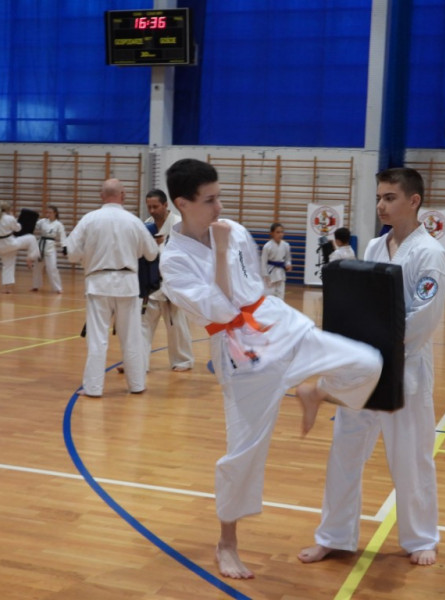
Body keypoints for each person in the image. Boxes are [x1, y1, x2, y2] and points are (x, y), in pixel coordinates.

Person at [159, 158, 382, 580]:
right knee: (244, 452)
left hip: (278, 323)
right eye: (209, 200)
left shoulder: (235, 230)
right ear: (182, 204)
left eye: (220, 196)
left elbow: (255, 285)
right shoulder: (173, 260)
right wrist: (219, 251)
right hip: (240, 350)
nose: (219, 208)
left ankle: (315, 391)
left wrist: (227, 247)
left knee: (367, 362)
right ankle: (227, 543)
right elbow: (223, 309)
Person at [298, 167, 445, 568]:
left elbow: (423, 319)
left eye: (390, 198)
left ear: (414, 201)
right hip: (365, 369)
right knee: (345, 452)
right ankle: (334, 536)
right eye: (379, 197)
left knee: (411, 458)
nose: (381, 205)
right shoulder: (375, 247)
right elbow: (365, 305)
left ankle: (421, 538)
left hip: (405, 369)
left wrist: (377, 344)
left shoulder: (431, 253)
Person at [65, 178, 158, 397]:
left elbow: (71, 254)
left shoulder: (89, 219)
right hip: (127, 284)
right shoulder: (134, 221)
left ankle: (93, 388)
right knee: (131, 337)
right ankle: (137, 385)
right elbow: (152, 253)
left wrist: (88, 255)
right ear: (123, 195)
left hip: (98, 283)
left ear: (101, 196)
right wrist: (133, 251)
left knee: (97, 338)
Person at [141, 189, 194, 372]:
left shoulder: (179, 224)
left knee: (176, 325)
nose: (152, 210)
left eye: (155, 206)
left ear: (165, 205)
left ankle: (183, 360)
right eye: (149, 207)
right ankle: (139, 362)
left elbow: (187, 256)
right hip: (151, 283)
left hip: (173, 282)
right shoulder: (146, 225)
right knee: (143, 325)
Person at [0, 201, 41, 294]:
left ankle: (6, 288)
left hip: (1, 246)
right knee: (31, 238)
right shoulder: (9, 218)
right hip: (11, 243)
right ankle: (31, 257)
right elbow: (18, 228)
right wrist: (13, 218)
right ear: (9, 209)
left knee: (7, 266)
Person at [31, 205, 67, 294]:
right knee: (37, 267)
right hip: (40, 246)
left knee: (52, 268)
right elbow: (33, 226)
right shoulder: (43, 221)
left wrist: (64, 247)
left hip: (50, 248)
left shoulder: (58, 224)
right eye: (47, 212)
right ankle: (35, 286)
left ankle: (58, 288)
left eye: (50, 213)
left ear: (55, 213)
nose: (48, 214)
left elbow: (63, 236)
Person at [259, 222, 292, 298]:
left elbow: (288, 258)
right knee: (269, 297)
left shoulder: (286, 245)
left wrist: (288, 264)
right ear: (272, 233)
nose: (280, 234)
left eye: (282, 232)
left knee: (280, 296)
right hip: (270, 274)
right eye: (277, 232)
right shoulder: (267, 246)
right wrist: (265, 276)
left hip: (281, 273)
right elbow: (263, 262)